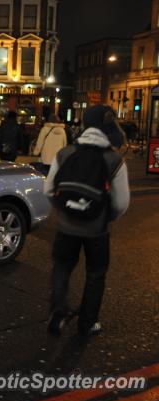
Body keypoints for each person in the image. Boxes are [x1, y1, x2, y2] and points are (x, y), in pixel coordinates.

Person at [45, 105, 130, 337]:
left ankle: (58, 312)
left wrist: (64, 210)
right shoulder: (114, 159)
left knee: (62, 267)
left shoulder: (65, 153)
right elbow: (122, 202)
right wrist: (106, 216)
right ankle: (87, 322)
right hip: (97, 229)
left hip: (66, 225)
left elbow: (48, 188)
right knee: (95, 273)